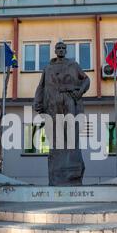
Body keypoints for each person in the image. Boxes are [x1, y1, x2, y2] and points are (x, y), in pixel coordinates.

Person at [33, 41, 91, 186]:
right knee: (56, 138)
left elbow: (86, 79)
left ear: (66, 50)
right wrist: (37, 102)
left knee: (71, 136)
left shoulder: (73, 65)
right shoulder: (48, 68)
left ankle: (72, 169)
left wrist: (80, 91)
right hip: (52, 104)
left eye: (63, 48)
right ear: (54, 50)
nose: (60, 50)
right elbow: (41, 86)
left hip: (69, 101)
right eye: (58, 48)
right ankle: (58, 173)